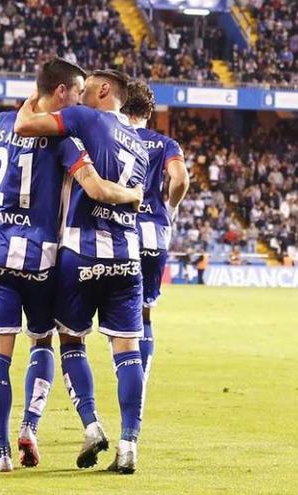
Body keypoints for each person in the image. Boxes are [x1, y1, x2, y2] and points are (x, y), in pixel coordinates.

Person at [0, 59, 143, 472]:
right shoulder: (69, 140)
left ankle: (0, 454)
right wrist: (132, 195)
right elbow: (94, 186)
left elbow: (20, 127)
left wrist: (35, 97)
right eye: (78, 88)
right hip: (46, 259)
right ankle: (40, 427)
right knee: (46, 341)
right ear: (65, 92)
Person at [120, 79, 189, 390]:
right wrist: (169, 208)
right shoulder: (165, 144)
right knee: (144, 315)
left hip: (118, 231)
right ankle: (139, 385)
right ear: (149, 111)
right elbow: (180, 179)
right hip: (154, 235)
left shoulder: (111, 135)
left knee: (112, 316)